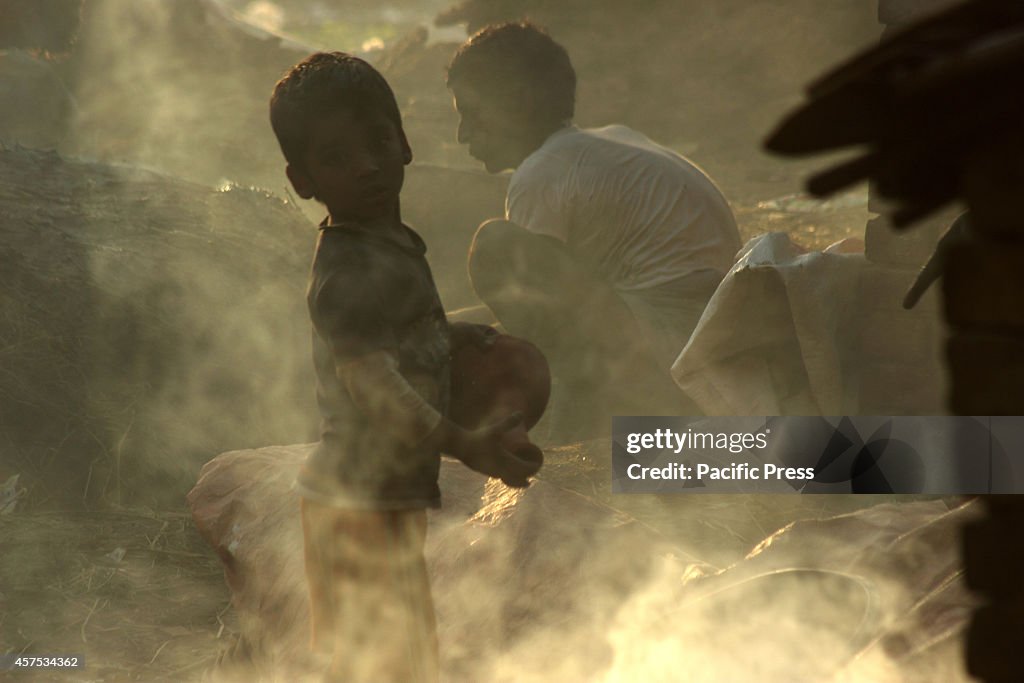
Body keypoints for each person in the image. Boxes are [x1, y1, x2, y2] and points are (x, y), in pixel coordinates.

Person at [269, 52, 540, 683]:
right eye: (336, 158)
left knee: (395, 658)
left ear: (405, 142)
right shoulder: (346, 273)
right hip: (355, 504)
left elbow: (401, 337)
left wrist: (456, 335)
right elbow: (375, 387)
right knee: (383, 664)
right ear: (301, 180)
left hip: (384, 496)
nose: (366, 165)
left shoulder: (387, 241)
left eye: (377, 142)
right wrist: (464, 444)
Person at [446, 22, 743, 430]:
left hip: (665, 362)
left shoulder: (541, 172)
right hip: (702, 337)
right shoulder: (608, 140)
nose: (462, 136)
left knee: (494, 247)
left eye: (472, 115)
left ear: (514, 104)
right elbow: (565, 296)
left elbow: (537, 309)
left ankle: (586, 406)